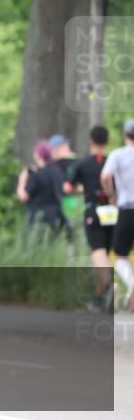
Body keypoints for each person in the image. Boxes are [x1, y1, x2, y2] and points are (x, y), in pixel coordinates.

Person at [66, 125, 114, 311]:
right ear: (107, 141)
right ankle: (99, 297)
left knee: (98, 252)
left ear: (91, 141)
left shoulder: (83, 164)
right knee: (106, 255)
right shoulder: (112, 162)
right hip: (112, 211)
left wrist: (83, 189)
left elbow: (67, 188)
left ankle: (108, 284)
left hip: (93, 210)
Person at [101, 118, 134, 313]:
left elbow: (105, 176)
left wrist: (111, 195)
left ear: (124, 135)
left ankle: (131, 282)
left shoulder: (117, 154)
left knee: (120, 254)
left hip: (127, 208)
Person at [17, 140, 68, 234]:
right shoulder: (57, 171)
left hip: (38, 219)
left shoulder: (36, 176)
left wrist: (22, 180)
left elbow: (23, 197)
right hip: (56, 215)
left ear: (37, 155)